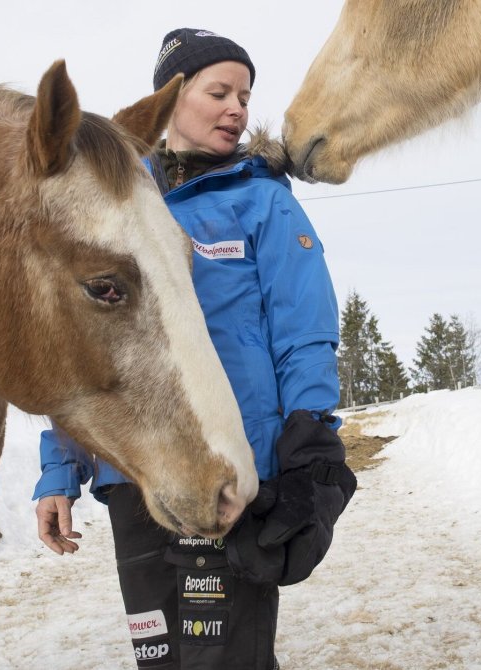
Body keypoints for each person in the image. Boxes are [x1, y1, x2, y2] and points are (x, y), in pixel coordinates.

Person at [31, 28, 356, 670]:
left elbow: (304, 331)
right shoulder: (121, 201)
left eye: (245, 94)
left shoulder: (262, 202)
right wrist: (59, 470)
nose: (238, 108)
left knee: (227, 659)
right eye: (218, 92)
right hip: (135, 476)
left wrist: (310, 437)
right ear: (170, 100)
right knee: (161, 659)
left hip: (228, 474)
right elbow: (85, 343)